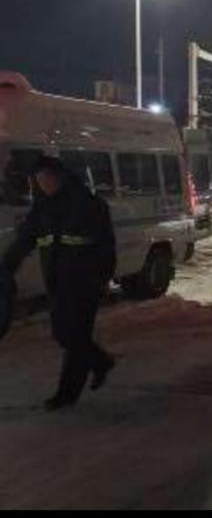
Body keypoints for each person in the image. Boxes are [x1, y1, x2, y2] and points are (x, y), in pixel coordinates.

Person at [0, 155, 117, 409]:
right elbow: (24, 241)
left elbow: (106, 246)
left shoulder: (89, 205)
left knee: (76, 337)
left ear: (61, 177)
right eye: (40, 180)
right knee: (63, 335)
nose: (44, 184)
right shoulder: (42, 209)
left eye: (47, 179)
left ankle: (66, 394)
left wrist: (103, 278)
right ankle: (100, 362)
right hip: (57, 284)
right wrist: (5, 268)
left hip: (85, 283)